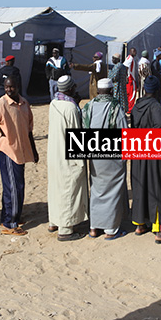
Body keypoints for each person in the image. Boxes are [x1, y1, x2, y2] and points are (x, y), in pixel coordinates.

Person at [0, 76, 39, 236]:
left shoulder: (24, 103)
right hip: (8, 149)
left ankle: (13, 216)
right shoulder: (2, 103)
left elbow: (29, 128)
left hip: (21, 150)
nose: (9, 90)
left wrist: (34, 150)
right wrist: (0, 128)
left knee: (19, 185)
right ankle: (9, 224)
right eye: (6, 87)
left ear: (18, 86)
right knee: (12, 187)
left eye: (11, 87)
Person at [131, 76, 161, 243]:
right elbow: (160, 130)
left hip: (138, 150)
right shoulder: (156, 107)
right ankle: (160, 231)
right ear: (157, 90)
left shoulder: (137, 105)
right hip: (154, 152)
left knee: (140, 187)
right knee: (156, 188)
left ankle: (140, 224)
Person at [83, 79, 129, 240]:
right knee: (112, 189)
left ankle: (94, 227)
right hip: (111, 155)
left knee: (96, 188)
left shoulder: (88, 106)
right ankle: (110, 229)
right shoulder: (116, 107)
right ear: (111, 91)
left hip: (93, 154)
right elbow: (124, 132)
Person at [47, 76, 88, 241]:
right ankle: (65, 230)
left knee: (56, 189)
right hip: (68, 156)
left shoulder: (53, 103)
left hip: (55, 153)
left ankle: (53, 222)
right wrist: (81, 161)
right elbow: (76, 134)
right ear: (70, 89)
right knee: (68, 190)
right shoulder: (70, 108)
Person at [123, 47, 138, 113]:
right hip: (131, 78)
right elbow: (126, 67)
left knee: (128, 94)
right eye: (133, 51)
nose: (135, 52)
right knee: (132, 94)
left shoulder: (129, 58)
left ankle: (128, 107)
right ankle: (130, 108)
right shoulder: (130, 59)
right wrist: (126, 76)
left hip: (129, 78)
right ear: (130, 52)